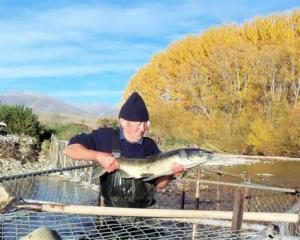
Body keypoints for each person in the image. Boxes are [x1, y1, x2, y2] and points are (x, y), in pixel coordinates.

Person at [63, 92, 185, 208]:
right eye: (138, 123)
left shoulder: (150, 145)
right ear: (123, 122)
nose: (142, 128)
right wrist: (98, 156)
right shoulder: (105, 137)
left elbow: (159, 186)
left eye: (145, 123)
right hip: (111, 216)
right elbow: (70, 150)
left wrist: (171, 174)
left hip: (145, 216)